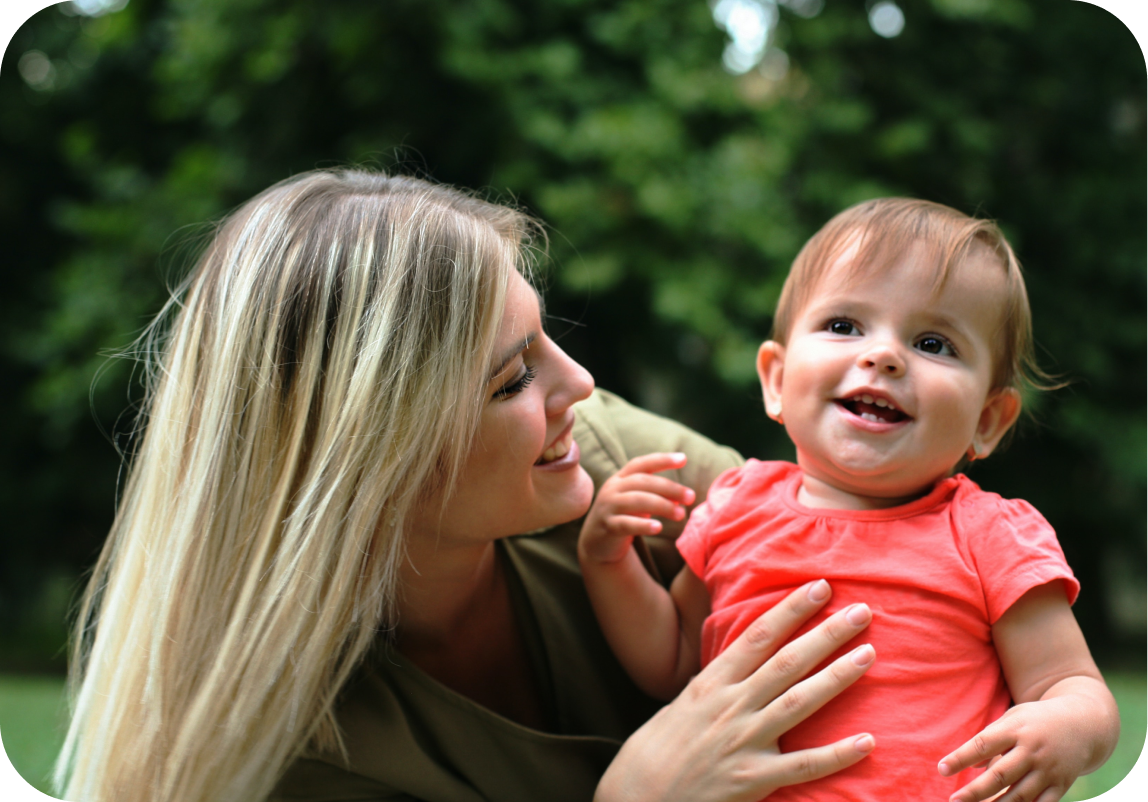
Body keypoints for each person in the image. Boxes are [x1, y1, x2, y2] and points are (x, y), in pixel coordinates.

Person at [55, 170, 883, 802]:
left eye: (543, 337)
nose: (582, 385)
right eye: (512, 378)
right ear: (370, 458)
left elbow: (906, 575)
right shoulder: (295, 757)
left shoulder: (606, 464)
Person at [579, 199, 1121, 802]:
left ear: (988, 420)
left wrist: (1067, 728)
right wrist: (608, 562)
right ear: (776, 380)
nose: (883, 355)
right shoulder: (736, 509)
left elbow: (1073, 685)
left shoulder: (988, 533)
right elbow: (676, 661)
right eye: (844, 326)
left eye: (934, 343)